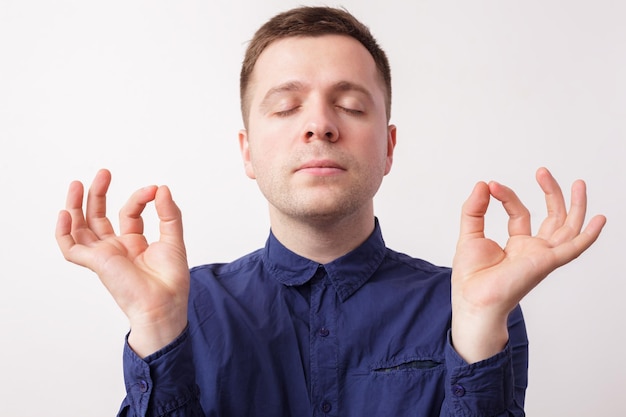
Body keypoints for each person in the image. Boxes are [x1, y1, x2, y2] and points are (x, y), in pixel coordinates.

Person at [55, 6, 606, 417]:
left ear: (388, 147)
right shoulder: (183, 310)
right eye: (287, 106)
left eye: (349, 105)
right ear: (247, 151)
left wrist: (481, 326)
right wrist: (154, 328)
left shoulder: (474, 304)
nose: (319, 124)